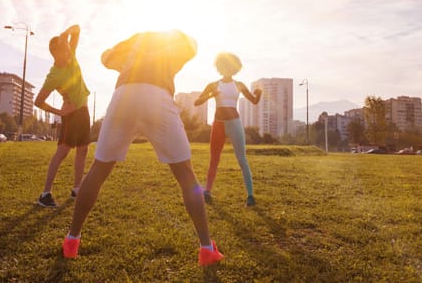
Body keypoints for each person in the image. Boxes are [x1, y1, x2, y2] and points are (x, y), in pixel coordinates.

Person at [62, 30, 224, 266]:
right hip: (156, 94)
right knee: (185, 174)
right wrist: (161, 54)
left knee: (98, 169)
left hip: (123, 95)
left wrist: (132, 53)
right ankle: (207, 249)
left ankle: (71, 241)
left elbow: (105, 57)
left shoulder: (133, 43)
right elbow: (193, 45)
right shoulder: (175, 41)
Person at [194, 52, 261, 206]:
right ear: (219, 67)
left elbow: (254, 101)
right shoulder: (213, 85)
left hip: (234, 124)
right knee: (214, 159)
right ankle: (207, 192)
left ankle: (250, 196)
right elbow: (197, 102)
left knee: (242, 159)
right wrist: (211, 95)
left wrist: (259, 93)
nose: (227, 69)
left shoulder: (239, 85)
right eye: (224, 66)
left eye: (230, 67)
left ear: (235, 68)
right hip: (218, 124)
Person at [34, 24, 91, 208]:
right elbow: (38, 101)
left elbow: (77, 29)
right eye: (65, 51)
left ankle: (77, 189)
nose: (69, 53)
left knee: (83, 150)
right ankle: (45, 194)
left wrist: (65, 34)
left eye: (68, 49)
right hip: (72, 115)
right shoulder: (54, 75)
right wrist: (60, 112)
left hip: (84, 112)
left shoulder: (71, 55)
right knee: (63, 152)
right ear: (56, 54)